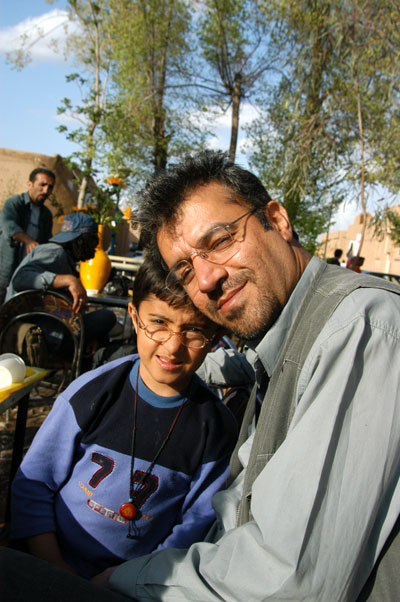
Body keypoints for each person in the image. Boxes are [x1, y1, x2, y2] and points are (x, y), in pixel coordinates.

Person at [92, 150, 400, 601]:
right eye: (184, 269)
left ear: (277, 220)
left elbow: (292, 580)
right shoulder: (280, 345)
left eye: (219, 241)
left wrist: (123, 580)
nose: (206, 278)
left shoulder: (359, 326)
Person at [11, 259, 238, 579]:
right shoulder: (91, 394)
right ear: (134, 316)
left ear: (214, 337)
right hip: (48, 565)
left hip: (138, 584)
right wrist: (53, 567)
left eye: (194, 330)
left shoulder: (216, 429)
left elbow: (195, 526)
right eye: (159, 321)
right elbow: (34, 482)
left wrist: (129, 579)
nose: (173, 346)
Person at [6, 212, 116, 353]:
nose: (95, 246)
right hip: (44, 334)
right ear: (80, 240)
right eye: (93, 240)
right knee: (108, 316)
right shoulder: (55, 252)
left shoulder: (63, 258)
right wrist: (68, 280)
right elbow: (21, 278)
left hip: (53, 330)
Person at [0, 167, 55, 304]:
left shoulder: (46, 215)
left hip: (28, 272)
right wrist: (29, 241)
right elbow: (9, 226)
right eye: (42, 185)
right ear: (30, 184)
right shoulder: (14, 203)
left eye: (50, 187)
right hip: (6, 269)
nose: (46, 191)